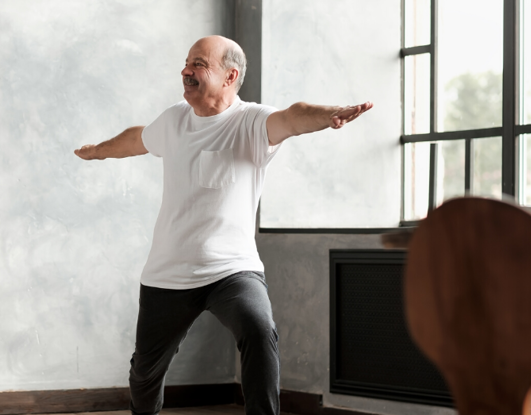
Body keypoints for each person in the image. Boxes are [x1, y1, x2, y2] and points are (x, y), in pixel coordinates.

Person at [74, 35, 372, 415]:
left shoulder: (252, 122)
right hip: (168, 273)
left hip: (232, 269)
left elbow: (294, 117)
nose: (186, 71)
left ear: (230, 76)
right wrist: (98, 151)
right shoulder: (174, 120)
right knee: (144, 373)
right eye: (187, 63)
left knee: (259, 330)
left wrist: (329, 114)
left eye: (199, 64)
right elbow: (137, 138)